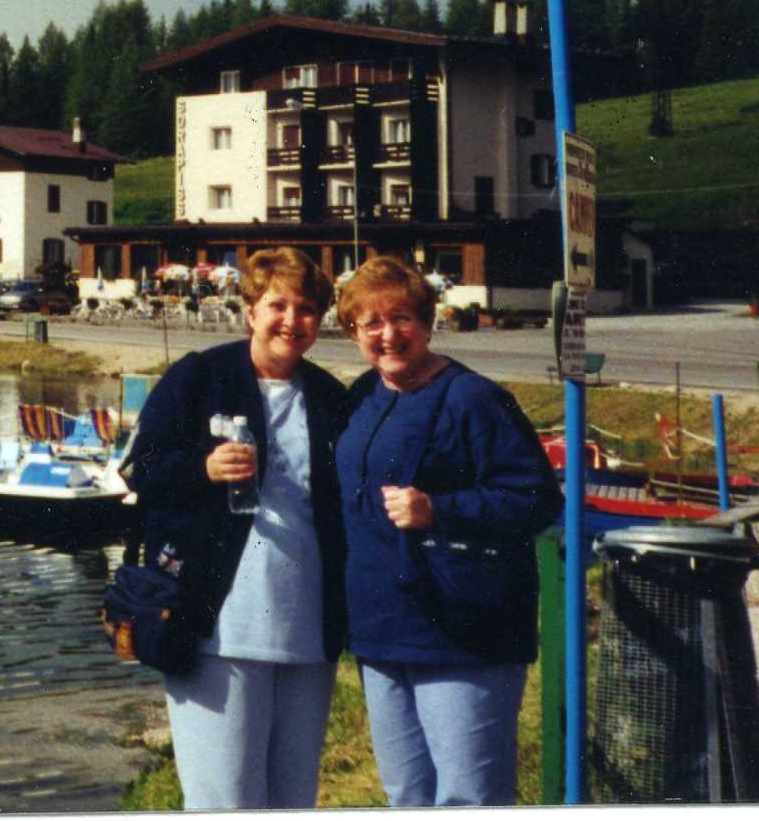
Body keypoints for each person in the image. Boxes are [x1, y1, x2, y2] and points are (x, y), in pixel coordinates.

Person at [123, 246, 352, 810]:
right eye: (278, 304)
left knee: (292, 798)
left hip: (307, 626)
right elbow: (139, 470)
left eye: (306, 309)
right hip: (216, 624)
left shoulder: (329, 397)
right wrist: (202, 467)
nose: (291, 321)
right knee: (224, 801)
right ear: (250, 309)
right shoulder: (200, 376)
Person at [334, 255, 561, 807]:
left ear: (428, 320)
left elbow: (535, 499)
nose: (389, 334)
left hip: (464, 633)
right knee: (406, 796)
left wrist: (439, 509)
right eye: (372, 323)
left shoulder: (473, 399)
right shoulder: (362, 396)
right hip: (382, 631)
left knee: (467, 799)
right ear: (353, 332)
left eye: (403, 318)